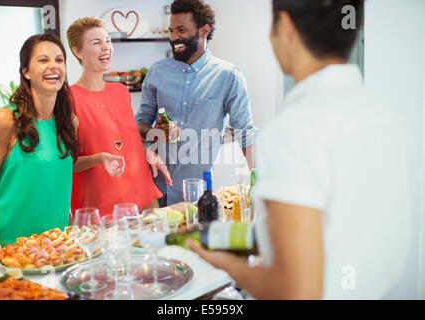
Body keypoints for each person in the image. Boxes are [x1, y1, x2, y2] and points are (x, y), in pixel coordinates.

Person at [188, 0, 414, 299]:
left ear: (285, 26)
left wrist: (228, 264)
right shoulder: (388, 118)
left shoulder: (295, 129)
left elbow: (296, 293)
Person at [136, 0, 257, 206]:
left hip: (197, 193)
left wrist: (258, 180)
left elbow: (245, 132)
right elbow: (140, 123)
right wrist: (155, 132)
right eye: (171, 30)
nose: (173, 37)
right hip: (154, 189)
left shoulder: (227, 76)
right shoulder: (157, 72)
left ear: (204, 31)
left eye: (181, 30)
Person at [0, 34, 80, 261]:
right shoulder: (6, 120)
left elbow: (57, 184)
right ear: (26, 72)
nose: (53, 65)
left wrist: (72, 237)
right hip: (13, 251)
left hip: (58, 249)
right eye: (43, 60)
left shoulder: (69, 122)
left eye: (59, 60)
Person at [66, 17, 172, 216]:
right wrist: (100, 158)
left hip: (143, 197)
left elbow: (125, 141)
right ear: (77, 51)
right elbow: (67, 163)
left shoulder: (121, 91)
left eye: (108, 41)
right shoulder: (68, 99)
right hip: (101, 207)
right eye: (96, 43)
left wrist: (147, 153)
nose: (106, 47)